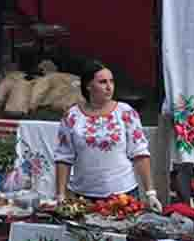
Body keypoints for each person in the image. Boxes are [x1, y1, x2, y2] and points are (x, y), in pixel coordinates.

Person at [54, 63, 161, 210]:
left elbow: (140, 154)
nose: (109, 87)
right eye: (103, 82)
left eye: (111, 81)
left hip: (123, 196)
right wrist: (60, 195)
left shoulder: (125, 112)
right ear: (88, 86)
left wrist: (150, 193)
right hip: (82, 197)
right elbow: (63, 158)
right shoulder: (72, 116)